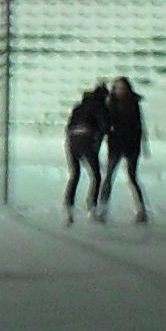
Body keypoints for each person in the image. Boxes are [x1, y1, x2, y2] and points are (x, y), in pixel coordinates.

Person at [98, 75, 150, 222]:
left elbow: (140, 125)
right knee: (109, 176)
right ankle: (102, 209)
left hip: (131, 144)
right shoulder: (110, 103)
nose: (120, 91)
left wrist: (143, 145)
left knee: (132, 177)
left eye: (122, 88)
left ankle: (141, 210)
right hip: (115, 143)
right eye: (118, 88)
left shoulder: (133, 104)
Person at [63, 82, 109, 224]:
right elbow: (104, 126)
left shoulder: (79, 106)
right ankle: (92, 207)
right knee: (96, 175)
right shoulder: (100, 106)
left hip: (72, 140)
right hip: (87, 139)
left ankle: (68, 207)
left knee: (74, 174)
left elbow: (69, 125)